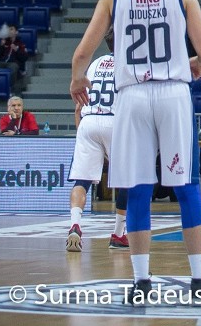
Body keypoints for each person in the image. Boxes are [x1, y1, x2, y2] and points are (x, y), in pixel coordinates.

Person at [69, 0, 201, 303]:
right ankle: (199, 282)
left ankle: (140, 283)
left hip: (132, 96)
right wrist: (196, 64)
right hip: (172, 95)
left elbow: (83, 52)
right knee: (186, 186)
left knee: (136, 188)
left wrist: (76, 81)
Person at [66, 40, 129, 252]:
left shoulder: (95, 63)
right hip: (115, 122)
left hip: (89, 120)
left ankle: (75, 224)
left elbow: (78, 107)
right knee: (125, 181)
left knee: (81, 181)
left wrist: (81, 131)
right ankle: (119, 234)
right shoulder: (129, 63)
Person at [0, 23, 29, 91]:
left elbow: (25, 58)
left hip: (13, 63)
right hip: (3, 62)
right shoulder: (4, 42)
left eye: (11, 29)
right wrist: (1, 46)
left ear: (16, 32)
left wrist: (17, 50)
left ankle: (10, 87)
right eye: (8, 29)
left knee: (13, 67)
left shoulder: (21, 44)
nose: (9, 31)